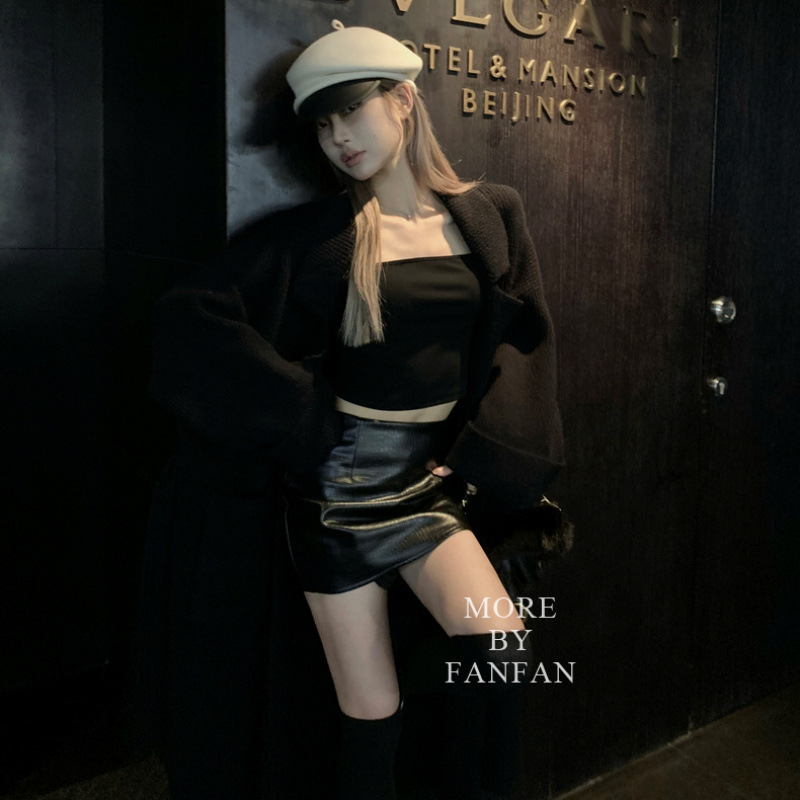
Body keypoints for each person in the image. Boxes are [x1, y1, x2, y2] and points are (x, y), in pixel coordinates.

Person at [142, 20, 564, 800]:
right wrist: (304, 420)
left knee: (503, 649)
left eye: (351, 113)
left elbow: (524, 338)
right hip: (337, 496)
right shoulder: (322, 234)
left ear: (402, 100)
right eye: (322, 125)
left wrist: (480, 448)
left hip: (429, 490)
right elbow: (189, 317)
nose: (338, 139)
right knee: (370, 710)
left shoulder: (489, 215)